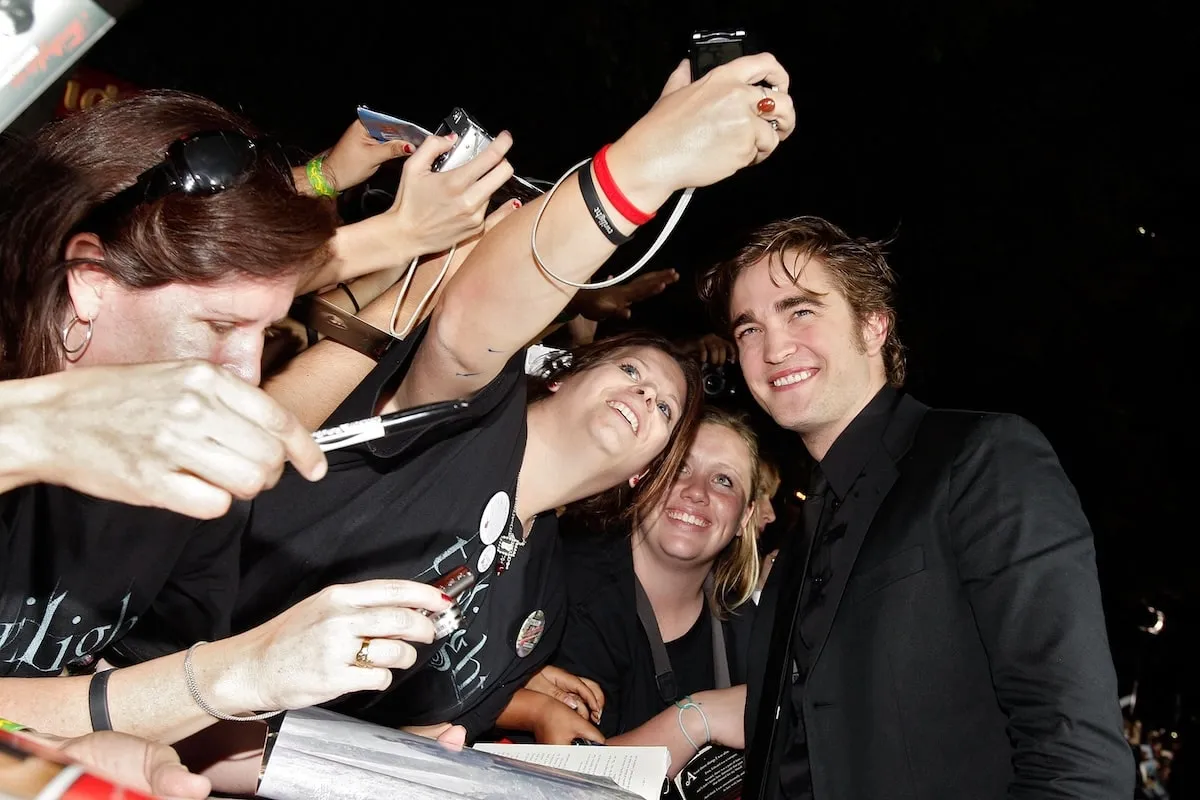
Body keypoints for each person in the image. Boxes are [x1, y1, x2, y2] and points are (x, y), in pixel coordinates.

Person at [235, 53, 795, 744]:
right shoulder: (464, 417)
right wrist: (649, 164)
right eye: (629, 373)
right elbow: (475, 322)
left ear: (643, 473)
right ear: (560, 375)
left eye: (666, 410)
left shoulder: (544, 604)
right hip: (152, 676)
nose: (648, 395)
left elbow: (410, 726)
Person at [0, 89, 502, 743]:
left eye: (264, 332)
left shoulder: (192, 481)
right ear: (91, 280)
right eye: (217, 324)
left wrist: (346, 765)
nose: (245, 373)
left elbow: (135, 699)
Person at [698, 215, 1132, 799]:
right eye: (748, 329)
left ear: (874, 325)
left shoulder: (982, 460)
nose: (773, 347)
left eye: (800, 310)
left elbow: (1074, 754)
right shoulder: (801, 538)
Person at [515, 408, 760, 778]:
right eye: (679, 468)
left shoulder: (746, 622)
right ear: (644, 480)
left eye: (724, 480)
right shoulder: (571, 585)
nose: (697, 492)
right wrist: (696, 721)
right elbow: (567, 774)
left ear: (745, 517)